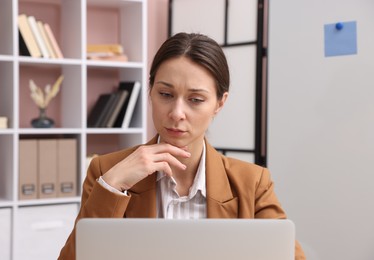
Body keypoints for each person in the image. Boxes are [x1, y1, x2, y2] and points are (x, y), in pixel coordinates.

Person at [58, 32, 306, 259]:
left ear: (219, 104)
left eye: (195, 100)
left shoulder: (252, 183)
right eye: (165, 94)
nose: (177, 113)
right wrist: (112, 186)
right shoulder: (106, 170)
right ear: (151, 91)